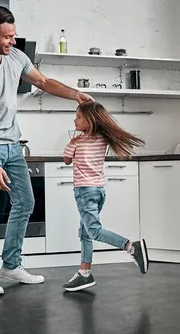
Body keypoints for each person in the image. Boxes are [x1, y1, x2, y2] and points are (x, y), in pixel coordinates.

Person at [0, 6, 94, 296]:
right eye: (7, 37)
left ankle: (11, 265)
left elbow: (43, 82)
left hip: (13, 145)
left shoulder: (17, 57)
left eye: (14, 36)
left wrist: (76, 94)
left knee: (25, 203)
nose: (12, 42)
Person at [62, 101, 149, 292]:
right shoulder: (102, 139)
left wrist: (72, 143)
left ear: (89, 120)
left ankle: (130, 247)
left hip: (84, 191)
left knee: (93, 231)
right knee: (85, 232)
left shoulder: (78, 141)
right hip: (99, 190)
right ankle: (84, 273)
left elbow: (67, 160)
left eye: (78, 117)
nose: (75, 120)